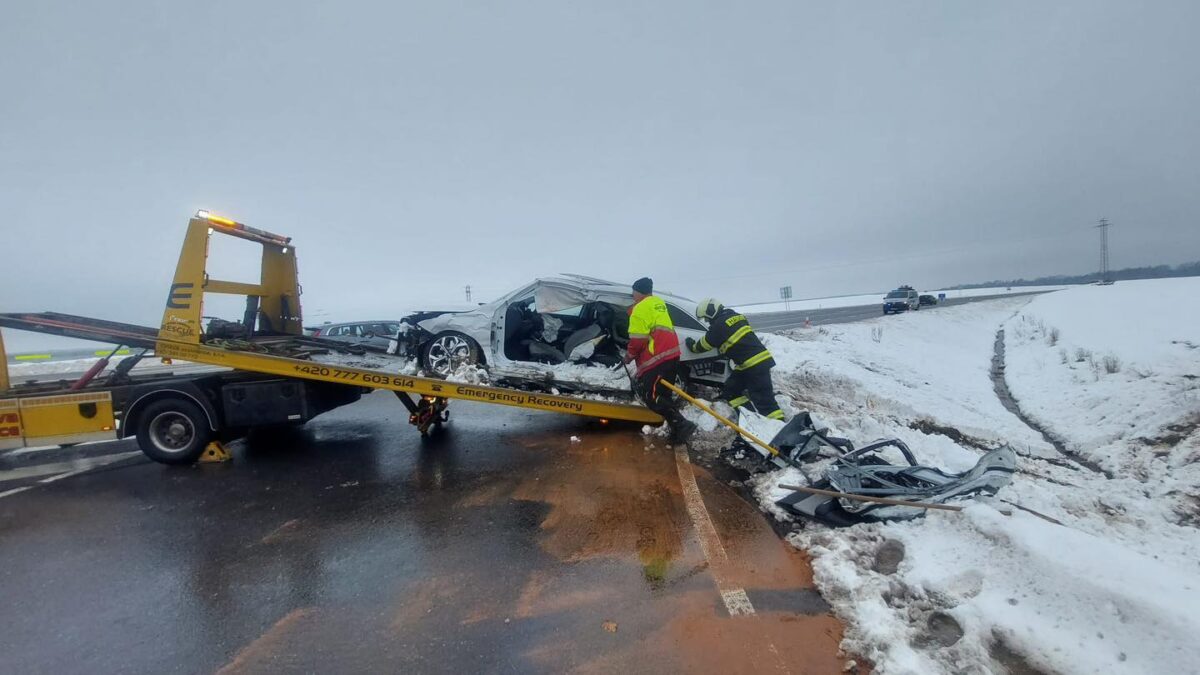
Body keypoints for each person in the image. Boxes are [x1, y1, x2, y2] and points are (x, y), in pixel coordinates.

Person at [686, 298, 784, 420]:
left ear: (711, 312)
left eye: (707, 318)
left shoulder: (719, 326)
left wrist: (692, 345)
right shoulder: (737, 316)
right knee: (731, 389)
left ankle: (779, 427)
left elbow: (704, 345)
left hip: (754, 365)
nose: (707, 321)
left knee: (764, 401)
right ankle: (749, 418)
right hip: (750, 364)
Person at [623, 277, 684, 423]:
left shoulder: (640, 308)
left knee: (651, 397)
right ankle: (675, 430)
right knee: (664, 394)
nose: (633, 296)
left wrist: (629, 355)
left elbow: (638, 340)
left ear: (638, 292)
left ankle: (682, 424)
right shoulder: (658, 302)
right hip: (672, 355)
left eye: (634, 293)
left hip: (657, 359)